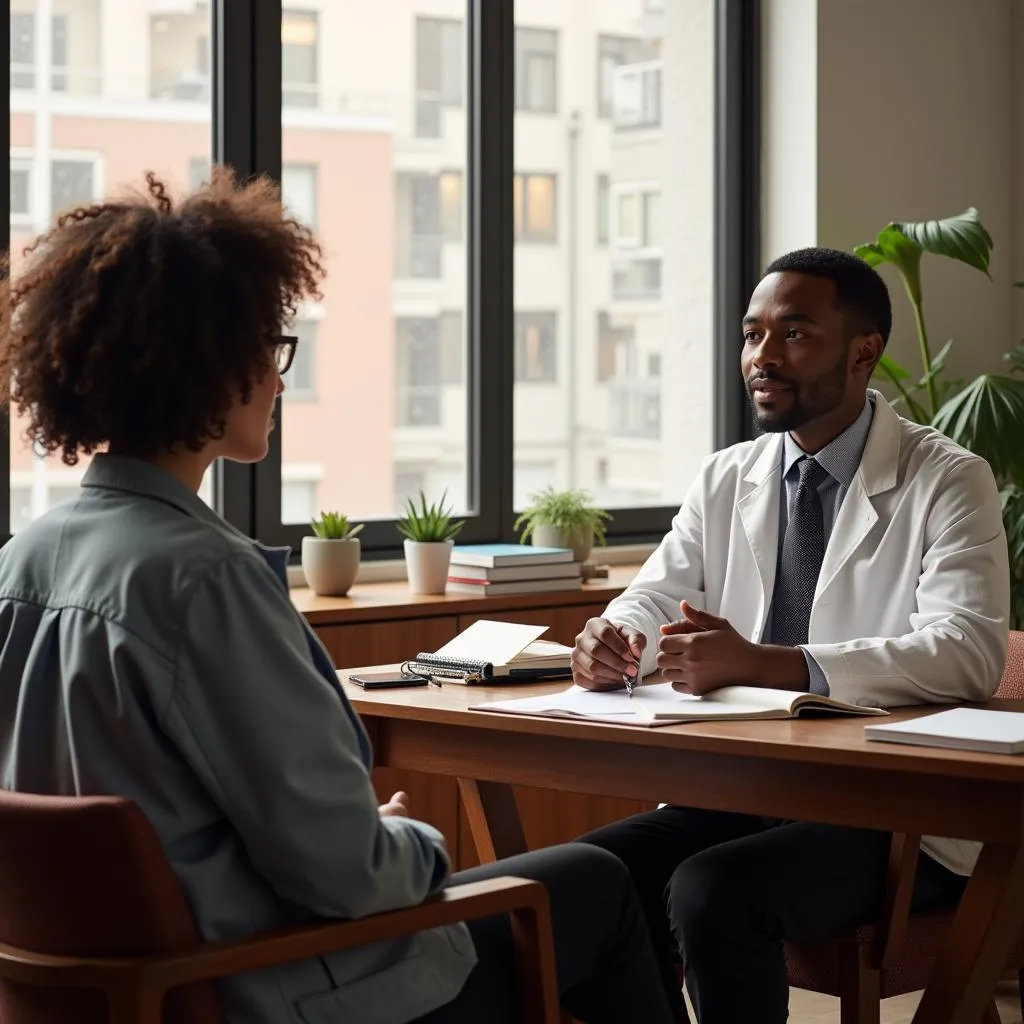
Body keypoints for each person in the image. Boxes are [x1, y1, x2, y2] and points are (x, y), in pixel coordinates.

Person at [0, 171, 676, 1024]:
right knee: (597, 884)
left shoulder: (20, 562)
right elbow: (344, 874)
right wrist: (409, 838)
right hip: (268, 984)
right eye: (269, 351)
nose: (278, 382)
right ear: (206, 366)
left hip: (117, 994)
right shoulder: (208, 578)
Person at [572, 247, 1010, 1024]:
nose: (762, 358)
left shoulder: (948, 477)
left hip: (889, 817)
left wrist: (775, 665)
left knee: (712, 890)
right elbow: (654, 593)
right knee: (587, 878)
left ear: (863, 352)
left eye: (795, 334)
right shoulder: (726, 476)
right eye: (751, 335)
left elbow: (968, 653)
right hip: (745, 785)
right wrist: (612, 639)